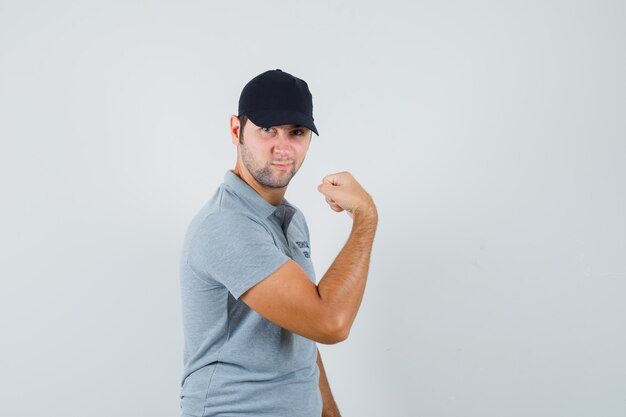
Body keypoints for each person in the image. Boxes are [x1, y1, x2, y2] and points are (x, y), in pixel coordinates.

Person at [179, 69, 378, 417]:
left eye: (296, 132)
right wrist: (366, 218)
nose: (283, 146)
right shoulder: (226, 224)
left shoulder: (292, 219)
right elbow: (329, 322)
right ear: (236, 130)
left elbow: (303, 331)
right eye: (268, 128)